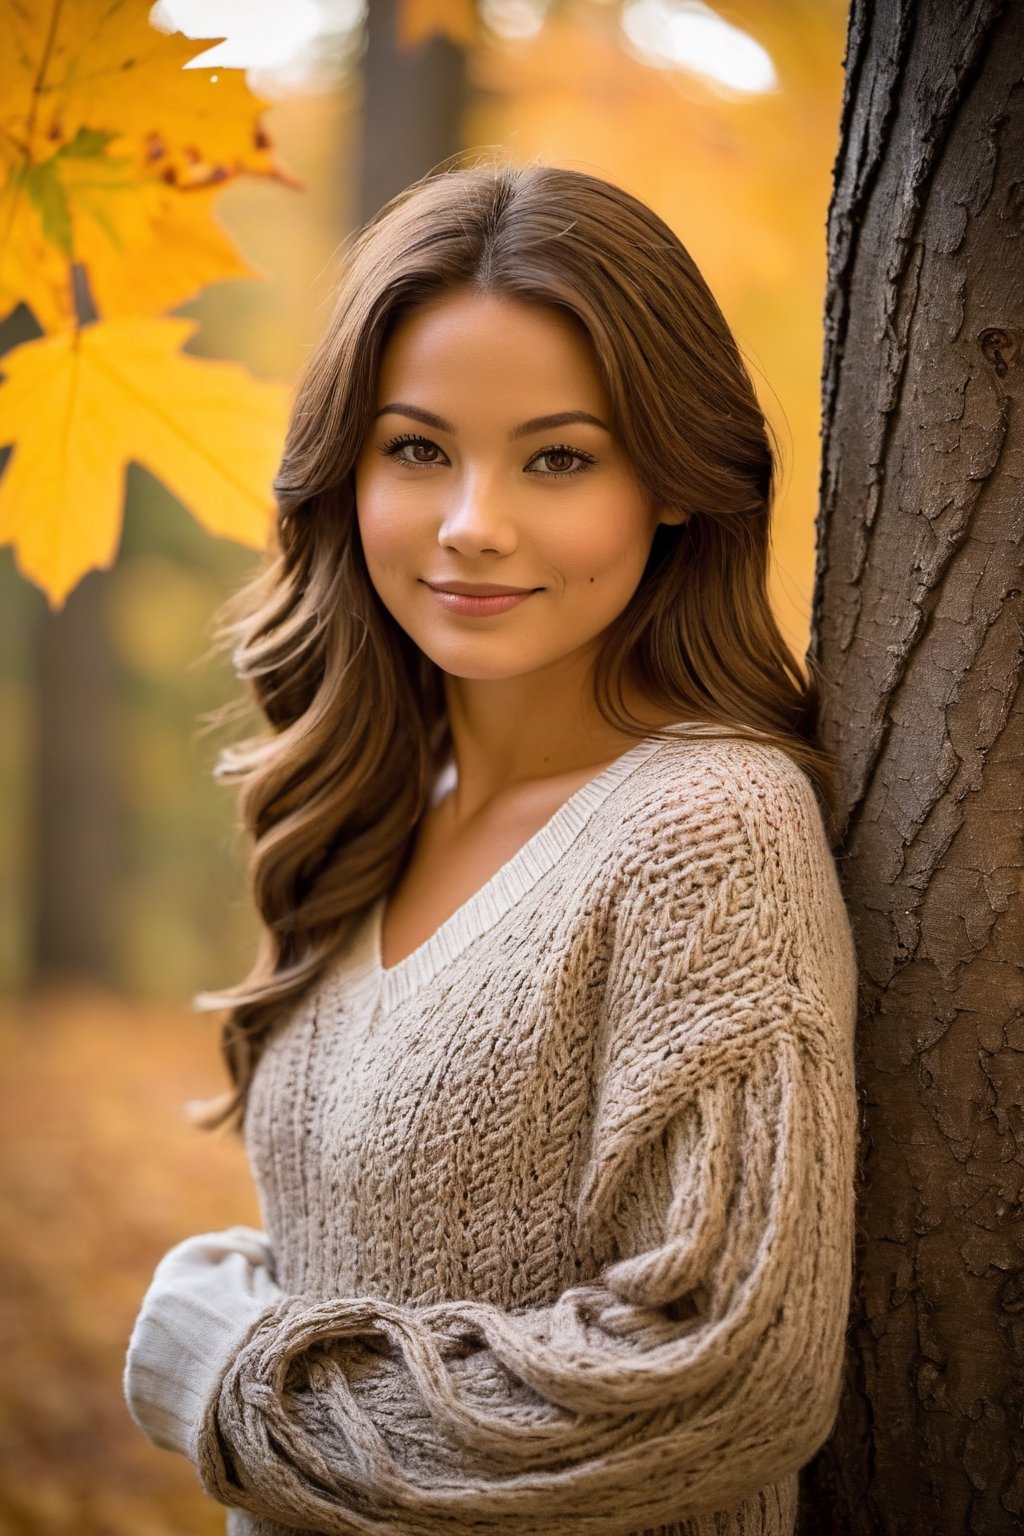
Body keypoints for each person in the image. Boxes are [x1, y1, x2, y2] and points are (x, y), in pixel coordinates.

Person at [123, 159, 858, 1536]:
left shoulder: (707, 828)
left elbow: (722, 1377)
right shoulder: (379, 802)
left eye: (558, 458)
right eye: (417, 449)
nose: (473, 523)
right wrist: (279, 1291)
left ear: (677, 485)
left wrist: (241, 1381)